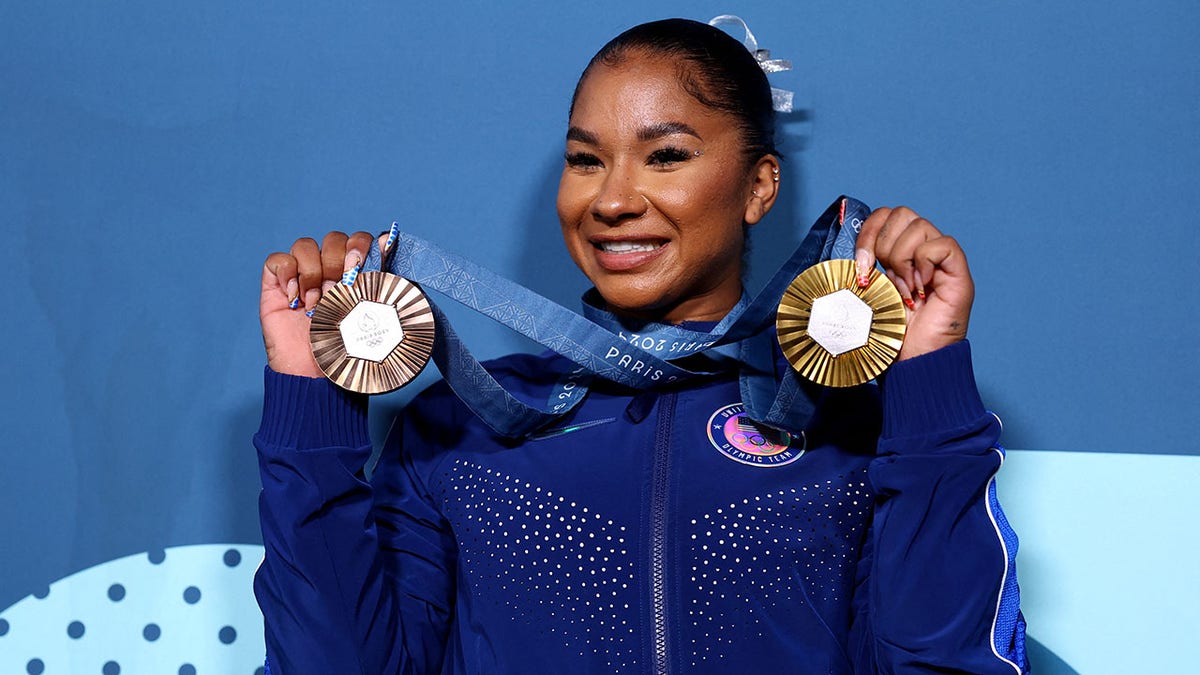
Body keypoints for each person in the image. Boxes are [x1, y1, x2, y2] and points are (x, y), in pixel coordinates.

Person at [254, 18, 1028, 675]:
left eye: (666, 155)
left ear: (759, 187)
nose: (614, 199)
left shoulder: (856, 430)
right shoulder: (456, 430)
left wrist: (926, 378)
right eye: (586, 159)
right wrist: (309, 405)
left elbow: (946, 660)